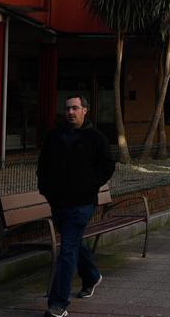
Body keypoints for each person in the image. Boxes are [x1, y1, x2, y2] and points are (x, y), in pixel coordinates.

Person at [37, 95, 116, 317]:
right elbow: (43, 164)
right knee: (74, 243)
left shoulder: (96, 138)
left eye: (75, 108)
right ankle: (91, 276)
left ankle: (58, 304)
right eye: (67, 108)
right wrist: (45, 189)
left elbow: (108, 165)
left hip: (82, 204)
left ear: (85, 111)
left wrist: (90, 185)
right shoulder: (54, 136)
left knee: (68, 249)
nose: (70, 112)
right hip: (59, 203)